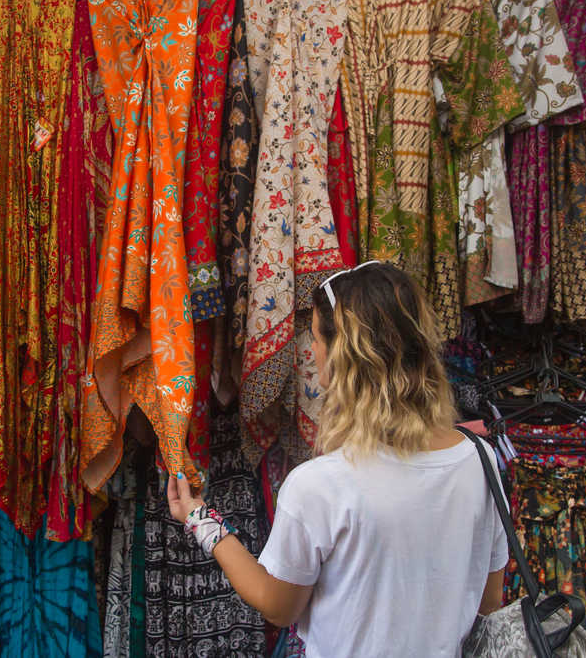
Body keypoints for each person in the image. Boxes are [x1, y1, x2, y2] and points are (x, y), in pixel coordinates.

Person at [168, 261, 508, 657]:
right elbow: (487, 601)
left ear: (343, 354)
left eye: (315, 337)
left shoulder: (321, 485)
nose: (312, 350)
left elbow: (278, 605)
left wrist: (199, 518)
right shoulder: (479, 459)